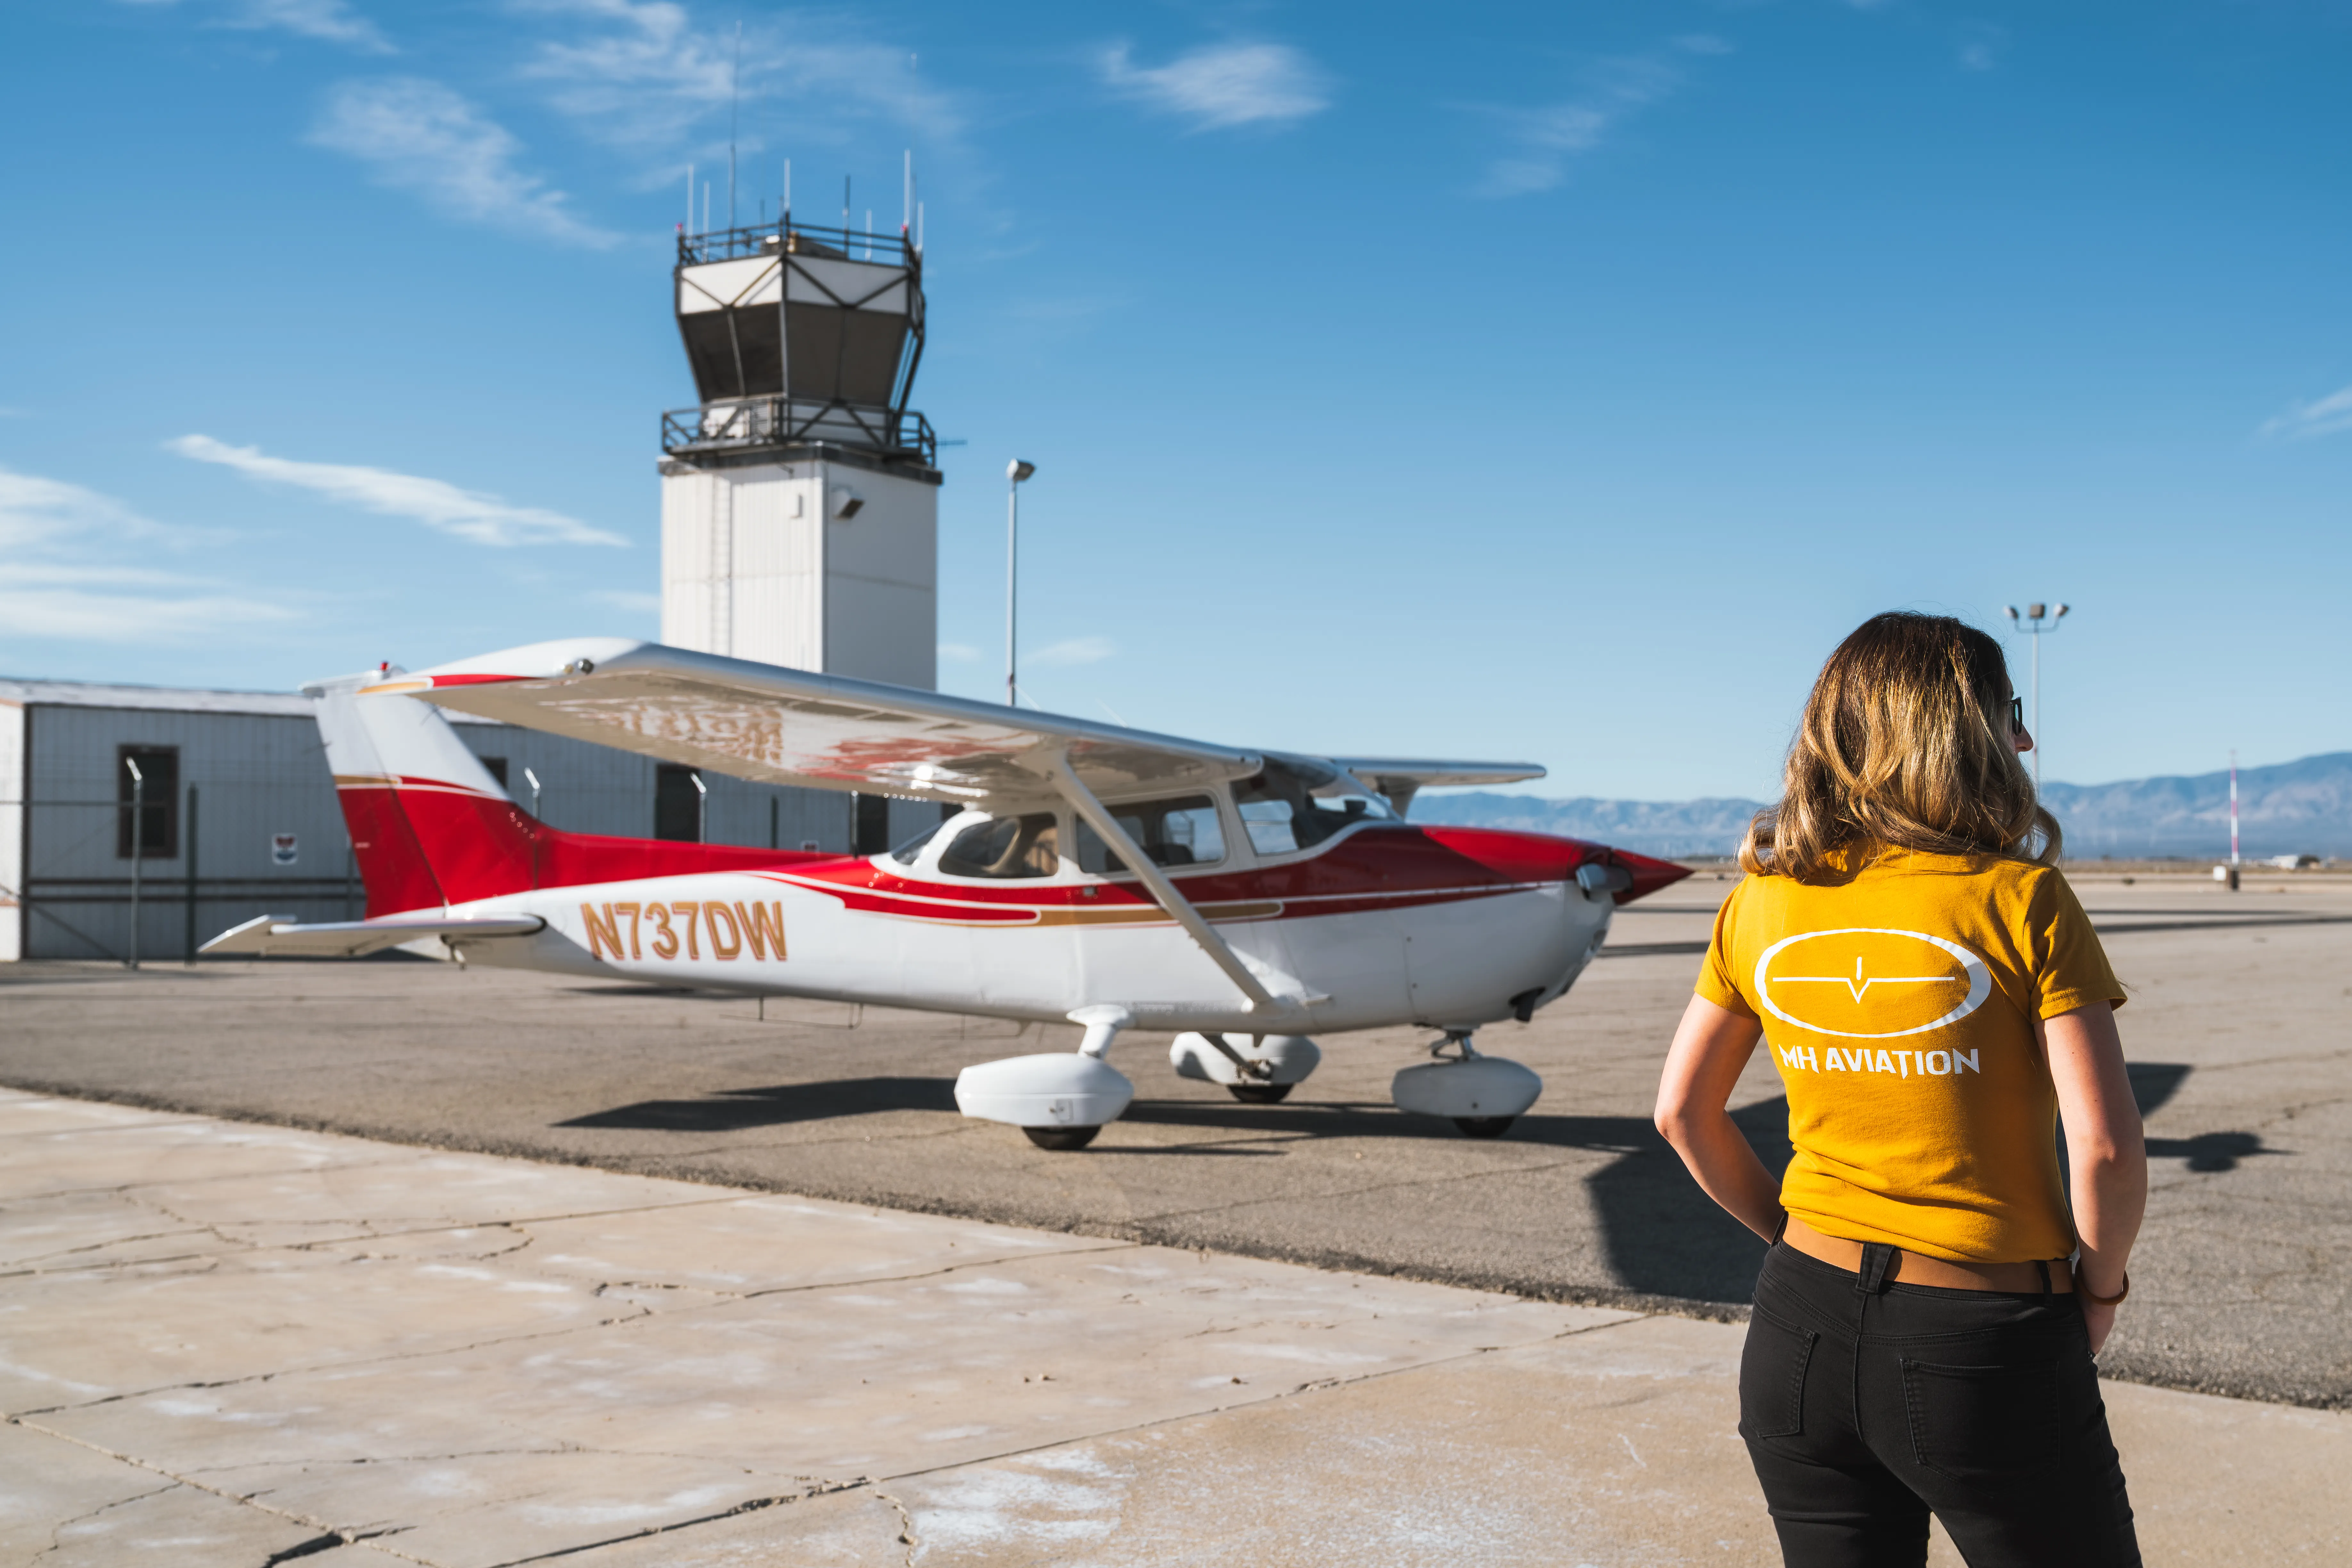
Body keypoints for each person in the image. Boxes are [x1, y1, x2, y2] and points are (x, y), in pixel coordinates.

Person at [1653, 611, 2146, 1568]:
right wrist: (2100, 1290)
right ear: (1957, 729)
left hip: (1795, 1325)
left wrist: (1798, 1246)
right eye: (2009, 711)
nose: (2025, 738)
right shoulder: (2018, 898)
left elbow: (1682, 1111)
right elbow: (2106, 1149)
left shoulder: (1760, 897)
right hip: (1983, 1344)